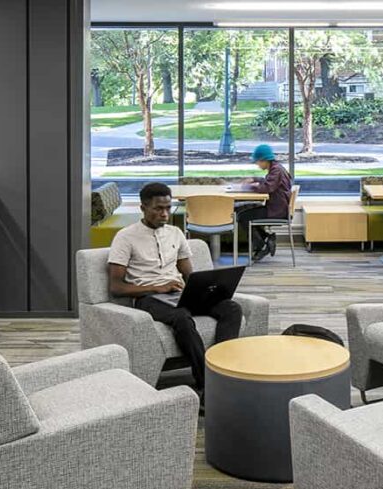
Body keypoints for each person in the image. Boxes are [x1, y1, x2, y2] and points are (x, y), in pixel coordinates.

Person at [108, 182, 242, 392]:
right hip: (148, 298)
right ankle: (208, 385)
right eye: (158, 208)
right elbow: (116, 287)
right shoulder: (125, 237)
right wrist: (157, 288)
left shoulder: (175, 233)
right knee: (181, 317)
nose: (164, 214)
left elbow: (189, 274)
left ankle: (222, 370)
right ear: (143, 208)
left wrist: (209, 288)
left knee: (231, 308)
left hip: (178, 293)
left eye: (167, 208)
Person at [237, 144, 292, 261]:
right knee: (244, 214)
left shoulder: (276, 170)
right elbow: (268, 181)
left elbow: (267, 188)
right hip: (277, 207)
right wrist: (254, 179)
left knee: (243, 217)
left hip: (276, 210)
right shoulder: (276, 168)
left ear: (264, 160)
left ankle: (261, 243)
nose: (257, 165)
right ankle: (266, 239)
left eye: (257, 162)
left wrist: (248, 188)